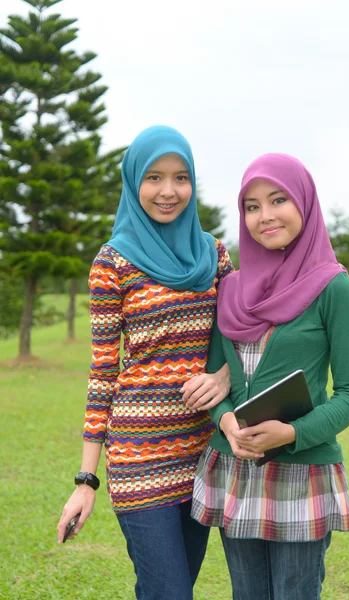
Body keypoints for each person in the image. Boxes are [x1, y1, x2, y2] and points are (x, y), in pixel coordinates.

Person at [57, 125, 233, 600]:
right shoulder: (112, 263)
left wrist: (224, 374)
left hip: (204, 453)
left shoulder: (214, 255)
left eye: (180, 177)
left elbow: (241, 337)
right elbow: (102, 374)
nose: (169, 191)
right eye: (154, 177)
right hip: (140, 458)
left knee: (172, 589)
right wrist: (86, 480)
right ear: (134, 182)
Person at [191, 153, 349, 600]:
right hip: (235, 467)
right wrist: (226, 421)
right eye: (252, 206)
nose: (264, 216)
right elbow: (217, 380)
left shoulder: (332, 286)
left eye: (277, 200)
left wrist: (291, 432)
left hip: (300, 475)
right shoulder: (230, 288)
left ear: (304, 204)